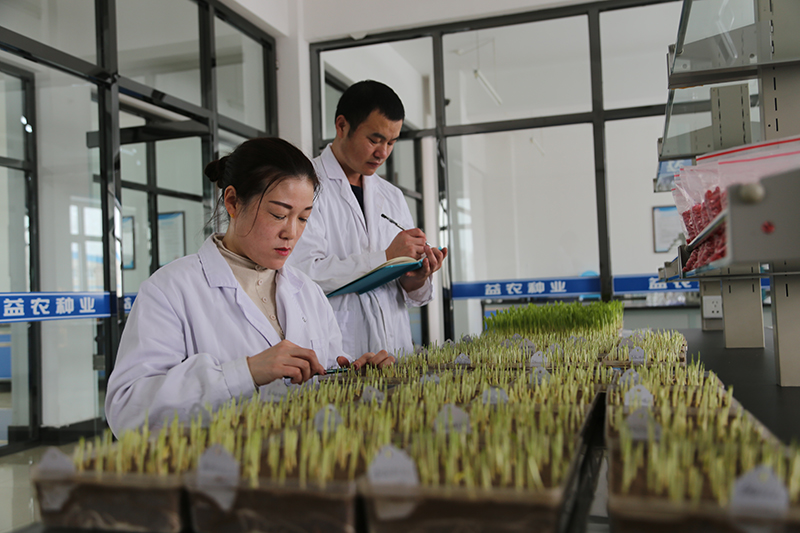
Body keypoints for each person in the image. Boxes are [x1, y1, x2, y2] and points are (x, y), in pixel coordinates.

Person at [105, 137, 393, 436]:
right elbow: (127, 409)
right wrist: (246, 372)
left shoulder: (307, 292)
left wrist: (351, 377)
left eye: (303, 218)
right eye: (279, 215)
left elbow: (321, 376)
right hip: (217, 462)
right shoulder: (171, 289)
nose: (292, 232)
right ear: (232, 202)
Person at [288, 80, 447, 359]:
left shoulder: (392, 196)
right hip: (340, 350)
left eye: (391, 142)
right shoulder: (304, 184)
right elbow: (302, 274)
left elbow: (408, 293)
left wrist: (417, 277)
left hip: (395, 347)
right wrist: (385, 257)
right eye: (374, 140)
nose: (383, 153)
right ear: (342, 126)